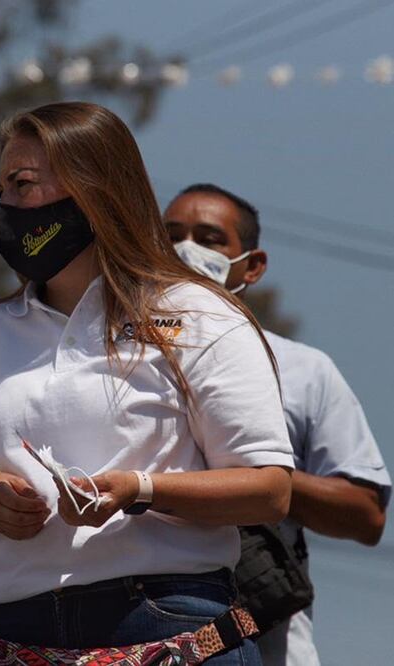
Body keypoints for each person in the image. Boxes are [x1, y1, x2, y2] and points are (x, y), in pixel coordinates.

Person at [0, 102, 295, 665]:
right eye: (1, 190)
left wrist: (138, 490)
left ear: (96, 187)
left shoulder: (197, 315)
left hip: (165, 623)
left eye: (23, 185)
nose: (6, 208)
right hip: (10, 634)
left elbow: (269, 490)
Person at [164, 183, 390, 665]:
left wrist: (259, 475)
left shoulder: (302, 370)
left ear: (252, 265)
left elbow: (366, 515)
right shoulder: (114, 357)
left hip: (268, 642)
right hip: (141, 635)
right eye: (171, 236)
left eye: (209, 239)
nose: (185, 251)